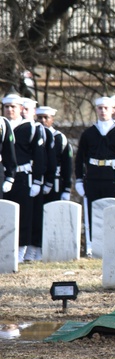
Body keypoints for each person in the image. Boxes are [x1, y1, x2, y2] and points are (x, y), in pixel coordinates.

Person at [75, 96, 115, 257]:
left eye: (106, 108)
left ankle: (114, 244)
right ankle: (92, 246)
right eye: (100, 108)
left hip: (112, 178)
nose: (103, 111)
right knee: (93, 213)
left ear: (113, 109)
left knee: (113, 213)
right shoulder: (88, 133)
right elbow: (80, 158)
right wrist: (79, 179)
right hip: (93, 178)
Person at [3, 94, 46, 262]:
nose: (10, 109)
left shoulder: (31, 128)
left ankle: (21, 251)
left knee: (24, 215)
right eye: (7, 106)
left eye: (13, 106)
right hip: (4, 175)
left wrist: (37, 180)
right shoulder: (2, 125)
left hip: (23, 176)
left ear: (21, 108)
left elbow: (39, 156)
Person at [36, 106, 74, 205]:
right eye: (39, 117)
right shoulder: (34, 136)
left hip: (55, 182)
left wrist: (67, 188)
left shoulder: (59, 138)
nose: (42, 120)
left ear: (52, 119)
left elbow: (67, 165)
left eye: (46, 117)